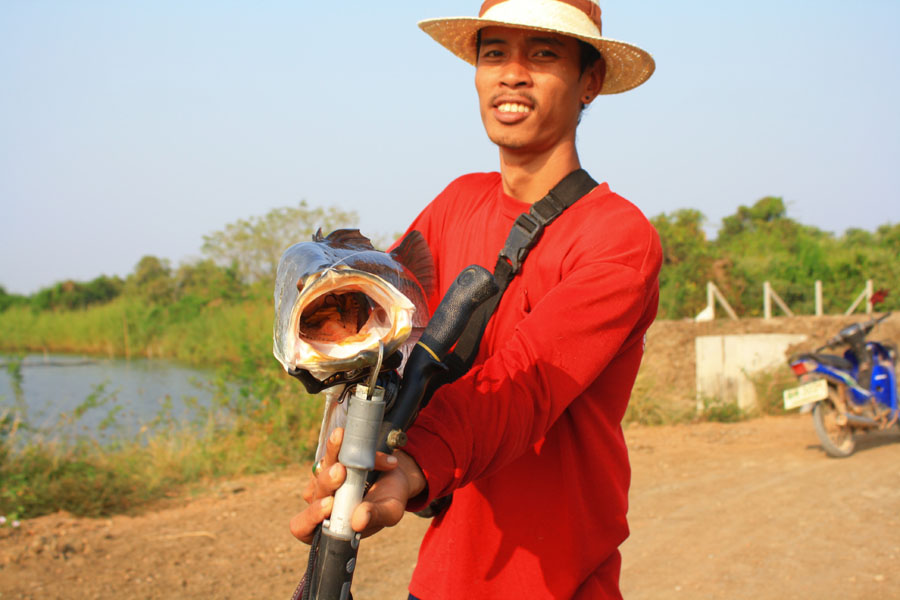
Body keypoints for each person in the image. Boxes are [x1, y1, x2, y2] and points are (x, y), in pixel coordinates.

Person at [290, 1, 661, 598]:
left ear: (590, 81)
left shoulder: (617, 238)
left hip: (556, 581)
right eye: (495, 53)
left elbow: (525, 384)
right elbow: (382, 330)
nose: (512, 73)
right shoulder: (457, 203)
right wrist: (343, 459)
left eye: (543, 54)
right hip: (444, 577)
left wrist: (414, 466)